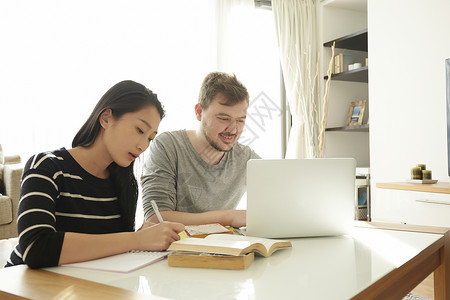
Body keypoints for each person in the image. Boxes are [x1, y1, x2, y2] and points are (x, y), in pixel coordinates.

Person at [6, 80, 185, 269]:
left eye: (150, 138)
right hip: (22, 287)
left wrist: (144, 239)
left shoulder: (124, 182)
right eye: (139, 130)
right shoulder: (47, 166)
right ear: (106, 118)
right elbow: (35, 247)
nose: (143, 146)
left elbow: (112, 249)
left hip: (81, 287)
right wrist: (136, 239)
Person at [141, 72, 260, 228]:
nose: (233, 130)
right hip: (171, 248)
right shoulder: (168, 146)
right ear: (199, 112)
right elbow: (156, 219)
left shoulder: (247, 158)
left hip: (223, 248)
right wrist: (228, 217)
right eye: (223, 118)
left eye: (240, 120)